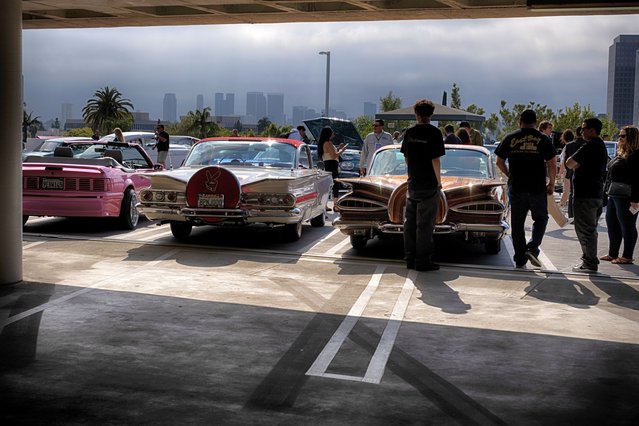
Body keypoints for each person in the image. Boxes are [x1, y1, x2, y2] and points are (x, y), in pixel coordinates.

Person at [495, 109, 556, 268]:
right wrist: (551, 183)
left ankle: (520, 258)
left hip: (517, 187)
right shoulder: (543, 139)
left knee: (517, 224)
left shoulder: (510, 137)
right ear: (536, 122)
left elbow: (499, 162)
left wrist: (509, 175)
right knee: (541, 218)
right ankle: (532, 247)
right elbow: (551, 163)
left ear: (519, 121)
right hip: (537, 187)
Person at [401, 99, 445, 271]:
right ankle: (423, 261)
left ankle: (409, 259)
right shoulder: (435, 133)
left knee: (409, 224)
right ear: (431, 114)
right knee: (425, 225)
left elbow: (406, 157)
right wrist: (439, 182)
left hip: (413, 183)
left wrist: (412, 174)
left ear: (416, 114)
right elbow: (435, 160)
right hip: (429, 185)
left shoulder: (409, 132)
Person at [566, 118, 609, 273]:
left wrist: (577, 165)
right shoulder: (600, 146)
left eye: (583, 128)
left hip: (585, 195)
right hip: (596, 193)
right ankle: (588, 259)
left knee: (584, 229)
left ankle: (590, 262)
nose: (581, 131)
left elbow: (569, 162)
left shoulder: (590, 145)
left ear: (592, 130)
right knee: (590, 228)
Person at [600, 125, 639, 265]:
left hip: (627, 197)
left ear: (631, 138)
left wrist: (635, 199)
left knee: (627, 225)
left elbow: (637, 178)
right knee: (612, 223)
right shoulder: (620, 153)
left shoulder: (636, 155)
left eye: (623, 136)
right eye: (619, 135)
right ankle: (612, 253)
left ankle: (627, 256)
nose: (619, 138)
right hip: (614, 194)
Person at [561, 126, 586, 221]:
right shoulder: (588, 144)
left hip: (571, 172)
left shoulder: (569, 145)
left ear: (576, 134)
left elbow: (566, 162)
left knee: (572, 193)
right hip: (585, 173)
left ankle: (571, 215)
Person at [317, 126, 347, 202]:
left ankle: (325, 203)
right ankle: (335, 203)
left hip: (328, 164)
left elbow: (330, 154)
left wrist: (338, 149)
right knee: (335, 184)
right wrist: (342, 150)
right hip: (332, 164)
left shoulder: (323, 143)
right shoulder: (328, 143)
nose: (333, 134)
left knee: (328, 185)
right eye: (332, 132)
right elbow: (333, 156)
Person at [558, 129, 575, 209]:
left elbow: (563, 163)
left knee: (566, 190)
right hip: (574, 171)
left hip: (567, 171)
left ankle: (561, 205)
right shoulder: (575, 145)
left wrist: (559, 173)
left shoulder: (566, 147)